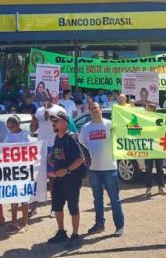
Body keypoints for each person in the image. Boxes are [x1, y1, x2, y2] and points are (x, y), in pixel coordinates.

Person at [79, 102, 125, 237]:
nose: (94, 110)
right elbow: (81, 146)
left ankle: (119, 226)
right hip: (94, 169)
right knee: (97, 199)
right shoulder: (86, 128)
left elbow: (122, 137)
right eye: (91, 108)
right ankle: (99, 224)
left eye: (96, 108)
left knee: (114, 199)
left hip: (110, 167)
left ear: (100, 109)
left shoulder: (110, 124)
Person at [47, 111, 85, 249]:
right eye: (53, 121)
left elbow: (81, 159)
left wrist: (67, 170)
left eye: (56, 121)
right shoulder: (57, 137)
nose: (54, 123)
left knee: (73, 206)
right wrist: (51, 157)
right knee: (57, 205)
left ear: (65, 123)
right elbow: (57, 153)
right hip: (58, 179)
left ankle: (75, 236)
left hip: (71, 179)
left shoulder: (71, 138)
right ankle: (61, 232)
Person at [4, 115, 33, 233]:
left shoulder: (25, 134)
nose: (10, 128)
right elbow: (2, 149)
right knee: (13, 196)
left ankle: (25, 223)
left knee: (23, 197)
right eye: (8, 126)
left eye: (12, 126)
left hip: (23, 169)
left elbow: (28, 149)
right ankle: (13, 221)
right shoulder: (8, 135)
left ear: (18, 125)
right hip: (12, 170)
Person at [30, 102, 60, 218]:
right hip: (40, 146)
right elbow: (33, 130)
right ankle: (34, 208)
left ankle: (54, 208)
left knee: (53, 179)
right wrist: (34, 122)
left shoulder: (58, 109)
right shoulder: (39, 110)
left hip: (53, 146)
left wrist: (51, 118)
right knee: (38, 177)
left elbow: (62, 126)